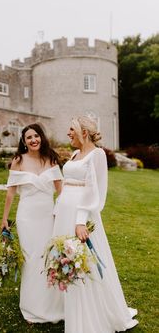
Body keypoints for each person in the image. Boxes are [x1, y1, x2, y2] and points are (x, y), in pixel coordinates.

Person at [53, 116, 138, 333]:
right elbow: (67, 185)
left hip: (81, 217)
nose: (68, 133)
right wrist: (58, 208)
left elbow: (94, 192)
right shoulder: (74, 154)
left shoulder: (97, 155)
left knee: (84, 260)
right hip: (65, 213)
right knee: (67, 258)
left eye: (72, 129)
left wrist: (80, 221)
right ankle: (70, 308)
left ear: (84, 132)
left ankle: (89, 314)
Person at [1, 123, 64, 324]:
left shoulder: (51, 159)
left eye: (36, 136)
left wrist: (63, 214)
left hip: (48, 216)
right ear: (24, 141)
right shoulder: (18, 161)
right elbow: (11, 192)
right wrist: (4, 218)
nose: (33, 140)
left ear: (41, 137)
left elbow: (61, 192)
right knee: (31, 259)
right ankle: (32, 308)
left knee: (48, 257)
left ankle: (53, 305)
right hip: (27, 217)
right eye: (29, 137)